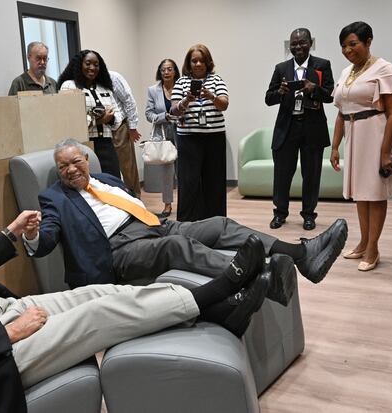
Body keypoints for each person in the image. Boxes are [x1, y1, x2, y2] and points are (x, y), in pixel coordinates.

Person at [0, 166, 272, 412]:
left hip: (2, 311)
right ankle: (218, 292)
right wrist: (6, 334)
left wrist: (8, 235)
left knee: (101, 293)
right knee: (98, 317)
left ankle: (210, 311)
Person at [23, 139, 348, 303]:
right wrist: (35, 235)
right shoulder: (54, 198)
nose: (70, 170)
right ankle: (263, 277)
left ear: (85, 159)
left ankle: (302, 256)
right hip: (120, 250)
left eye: (75, 161)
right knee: (177, 246)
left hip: (154, 225)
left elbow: (134, 203)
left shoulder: (106, 177)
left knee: (219, 223)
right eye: (62, 166)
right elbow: (47, 237)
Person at [330, 21, 392, 271]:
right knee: (361, 193)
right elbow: (340, 113)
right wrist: (335, 147)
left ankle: (373, 248)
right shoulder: (346, 72)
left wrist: (385, 151)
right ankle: (363, 242)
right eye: (343, 46)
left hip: (375, 134)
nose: (347, 50)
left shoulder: (384, 68)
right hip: (353, 134)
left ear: (368, 41)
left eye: (353, 44)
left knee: (375, 193)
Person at [265, 28, 334, 231]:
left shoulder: (322, 65)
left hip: (312, 128)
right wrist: (279, 92)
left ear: (310, 43)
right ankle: (280, 213)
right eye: (293, 44)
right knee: (282, 174)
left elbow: (330, 95)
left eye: (302, 42)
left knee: (311, 175)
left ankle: (309, 215)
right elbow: (268, 98)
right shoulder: (281, 68)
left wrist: (315, 89)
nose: (297, 47)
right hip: (287, 128)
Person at [170, 44, 229, 221]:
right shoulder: (181, 82)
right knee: (188, 183)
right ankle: (187, 224)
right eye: (194, 60)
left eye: (201, 60)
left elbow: (224, 105)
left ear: (208, 62)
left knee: (215, 182)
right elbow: (174, 111)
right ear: (188, 63)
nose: (197, 64)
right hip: (189, 139)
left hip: (214, 138)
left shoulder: (217, 80)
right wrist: (186, 100)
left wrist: (211, 96)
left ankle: (216, 222)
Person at [58, 50, 123, 178]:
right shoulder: (69, 85)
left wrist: (110, 119)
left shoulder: (104, 88)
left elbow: (118, 118)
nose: (92, 68)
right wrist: (96, 121)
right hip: (83, 146)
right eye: (88, 63)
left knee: (113, 182)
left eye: (96, 64)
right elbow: (69, 120)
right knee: (91, 185)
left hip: (107, 144)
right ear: (79, 64)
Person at [146, 58, 181, 217]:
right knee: (167, 170)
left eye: (169, 69)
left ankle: (187, 202)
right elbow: (148, 114)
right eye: (163, 70)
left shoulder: (181, 86)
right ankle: (167, 205)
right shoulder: (153, 90)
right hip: (163, 133)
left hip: (182, 131)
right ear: (159, 72)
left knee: (184, 169)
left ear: (175, 71)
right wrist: (164, 117)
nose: (166, 72)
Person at [110, 70, 142, 195]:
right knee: (109, 170)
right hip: (100, 130)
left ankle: (136, 199)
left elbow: (129, 100)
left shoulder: (113, 77)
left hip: (120, 127)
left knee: (128, 168)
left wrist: (132, 127)